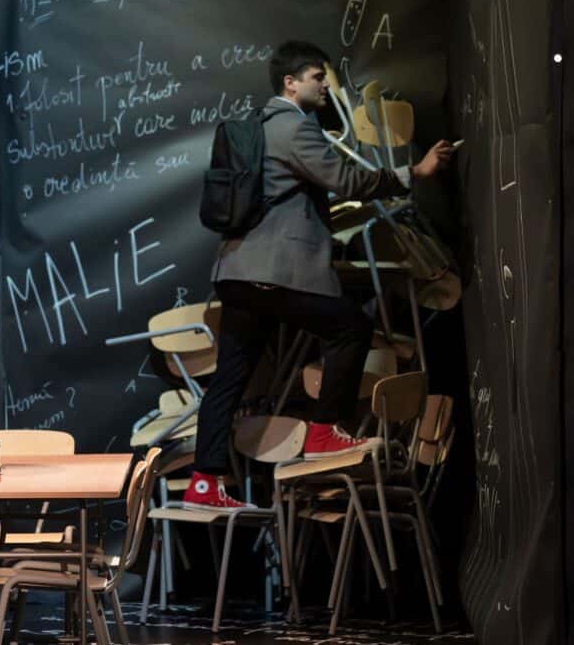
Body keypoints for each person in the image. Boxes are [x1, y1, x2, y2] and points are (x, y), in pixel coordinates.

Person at [184, 40, 453, 510]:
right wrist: (414, 172)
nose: (326, 85)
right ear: (290, 83)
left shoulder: (258, 127)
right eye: (317, 77)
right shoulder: (293, 127)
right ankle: (325, 432)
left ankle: (203, 484)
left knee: (230, 376)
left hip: (236, 271)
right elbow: (347, 180)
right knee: (352, 327)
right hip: (273, 272)